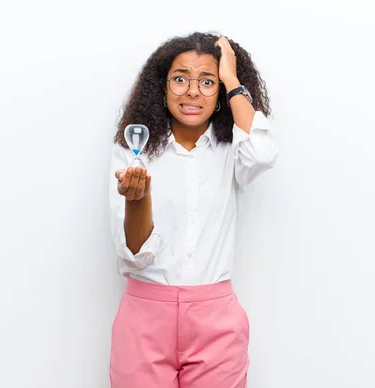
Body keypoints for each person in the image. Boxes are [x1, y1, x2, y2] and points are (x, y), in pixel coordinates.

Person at [108, 31, 279, 388]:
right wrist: (137, 199)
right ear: (163, 86)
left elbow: (261, 154)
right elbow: (134, 253)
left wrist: (232, 78)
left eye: (207, 81)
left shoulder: (231, 149)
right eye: (181, 79)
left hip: (215, 318)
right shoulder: (134, 149)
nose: (192, 91)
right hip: (144, 317)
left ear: (219, 93)